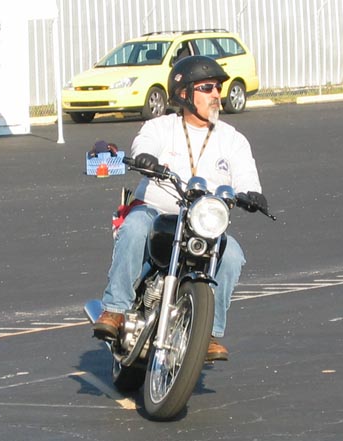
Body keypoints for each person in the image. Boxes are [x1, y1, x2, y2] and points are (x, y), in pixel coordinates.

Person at [93, 56, 267, 362]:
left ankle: (208, 334)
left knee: (232, 254)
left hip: (202, 221)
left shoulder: (233, 139)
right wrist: (145, 158)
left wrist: (253, 195)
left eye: (218, 88)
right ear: (184, 93)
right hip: (157, 211)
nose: (216, 94)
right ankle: (115, 309)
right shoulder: (161, 127)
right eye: (207, 88)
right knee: (134, 227)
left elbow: (247, 178)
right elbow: (143, 146)